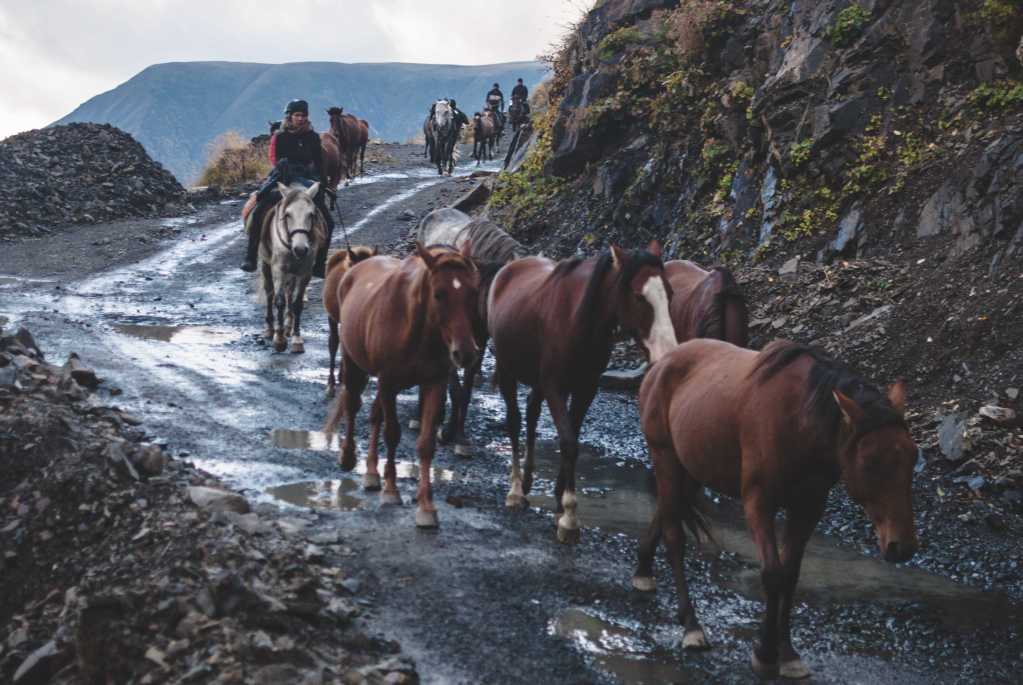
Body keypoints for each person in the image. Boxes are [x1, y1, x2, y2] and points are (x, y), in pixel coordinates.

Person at [240, 99, 335, 277]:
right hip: (283, 179)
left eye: (303, 115)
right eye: (297, 115)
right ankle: (251, 256)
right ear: (290, 117)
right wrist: (285, 170)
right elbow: (275, 160)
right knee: (260, 208)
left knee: (329, 222)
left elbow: (319, 161)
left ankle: (319, 264)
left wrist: (323, 183)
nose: (300, 118)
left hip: (307, 181)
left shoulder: (313, 137)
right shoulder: (281, 136)